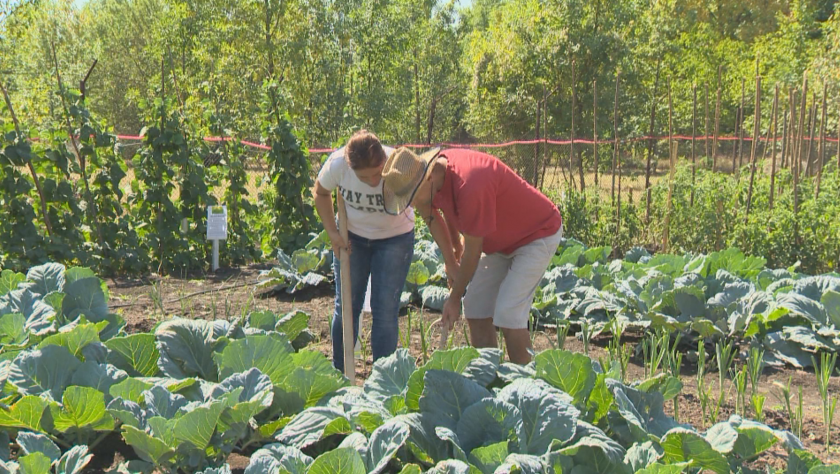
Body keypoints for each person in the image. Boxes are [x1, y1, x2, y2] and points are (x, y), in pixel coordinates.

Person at [381, 147, 562, 364]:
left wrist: (454, 298)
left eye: (411, 197)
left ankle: (525, 383)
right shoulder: (434, 179)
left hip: (535, 235)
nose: (410, 203)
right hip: (498, 242)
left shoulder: (471, 184)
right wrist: (451, 259)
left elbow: (474, 252)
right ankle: (489, 378)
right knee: (475, 307)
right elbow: (433, 215)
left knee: (509, 313)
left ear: (427, 177)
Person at [313, 130, 415, 372]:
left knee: (385, 311)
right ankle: (341, 373)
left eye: (377, 174)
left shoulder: (397, 162)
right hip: (353, 239)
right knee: (347, 306)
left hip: (395, 239)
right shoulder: (338, 165)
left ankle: (383, 378)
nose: (372, 181)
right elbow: (320, 192)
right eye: (364, 177)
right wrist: (333, 234)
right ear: (351, 167)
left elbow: (423, 192)